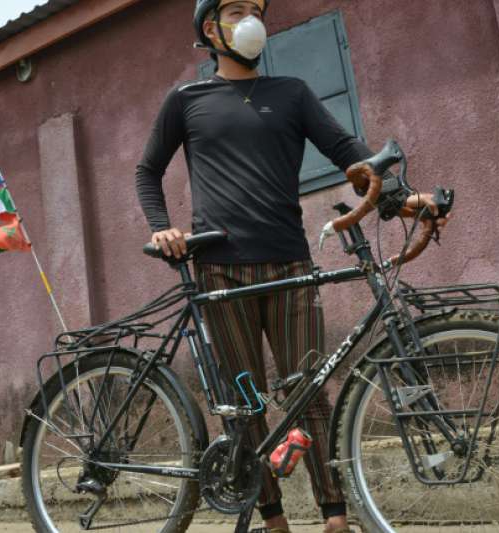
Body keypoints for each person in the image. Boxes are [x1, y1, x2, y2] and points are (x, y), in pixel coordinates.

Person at [135, 1, 381, 531]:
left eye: (257, 8)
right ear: (210, 28)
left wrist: (393, 192)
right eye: (238, 9)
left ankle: (335, 516)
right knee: (243, 406)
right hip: (221, 269)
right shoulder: (186, 99)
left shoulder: (291, 93)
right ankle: (272, 520)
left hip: (292, 264)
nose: (252, 19)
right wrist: (162, 226)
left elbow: (346, 151)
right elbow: (147, 171)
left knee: (308, 390)